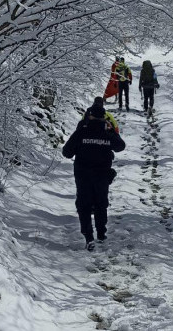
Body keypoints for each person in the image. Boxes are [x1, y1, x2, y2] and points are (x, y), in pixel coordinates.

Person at [63, 102, 126, 251]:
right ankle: (101, 234)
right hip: (102, 176)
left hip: (83, 175)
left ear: (89, 116)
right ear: (104, 118)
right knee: (100, 204)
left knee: (83, 206)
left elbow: (67, 152)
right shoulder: (107, 133)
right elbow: (120, 146)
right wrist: (112, 132)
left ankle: (88, 237)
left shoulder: (81, 132)